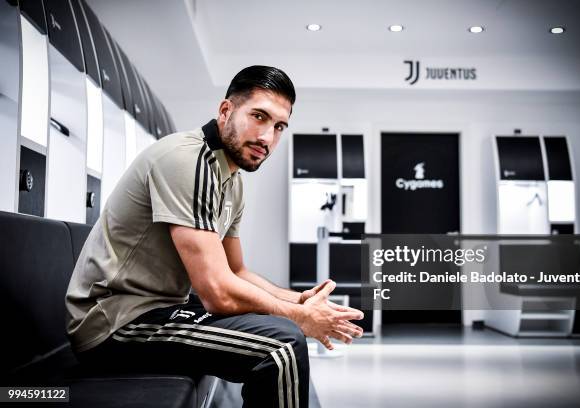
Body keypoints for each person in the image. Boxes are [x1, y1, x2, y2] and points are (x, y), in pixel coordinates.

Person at [65, 65, 364, 408]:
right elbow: (218, 293)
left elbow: (236, 272)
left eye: (279, 126)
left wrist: (297, 300)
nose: (267, 138)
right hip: (114, 324)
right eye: (259, 116)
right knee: (281, 345)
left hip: (157, 309)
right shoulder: (186, 160)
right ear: (226, 111)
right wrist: (297, 317)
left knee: (278, 327)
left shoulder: (231, 180)